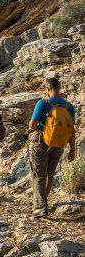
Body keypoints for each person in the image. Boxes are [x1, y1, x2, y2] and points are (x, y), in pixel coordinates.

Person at [28, 77, 77, 217]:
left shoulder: (43, 102)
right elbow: (72, 131)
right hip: (59, 145)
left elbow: (32, 125)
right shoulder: (69, 106)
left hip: (41, 144)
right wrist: (72, 150)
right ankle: (41, 204)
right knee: (49, 175)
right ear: (59, 88)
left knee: (39, 175)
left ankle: (41, 207)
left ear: (47, 89)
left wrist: (34, 126)